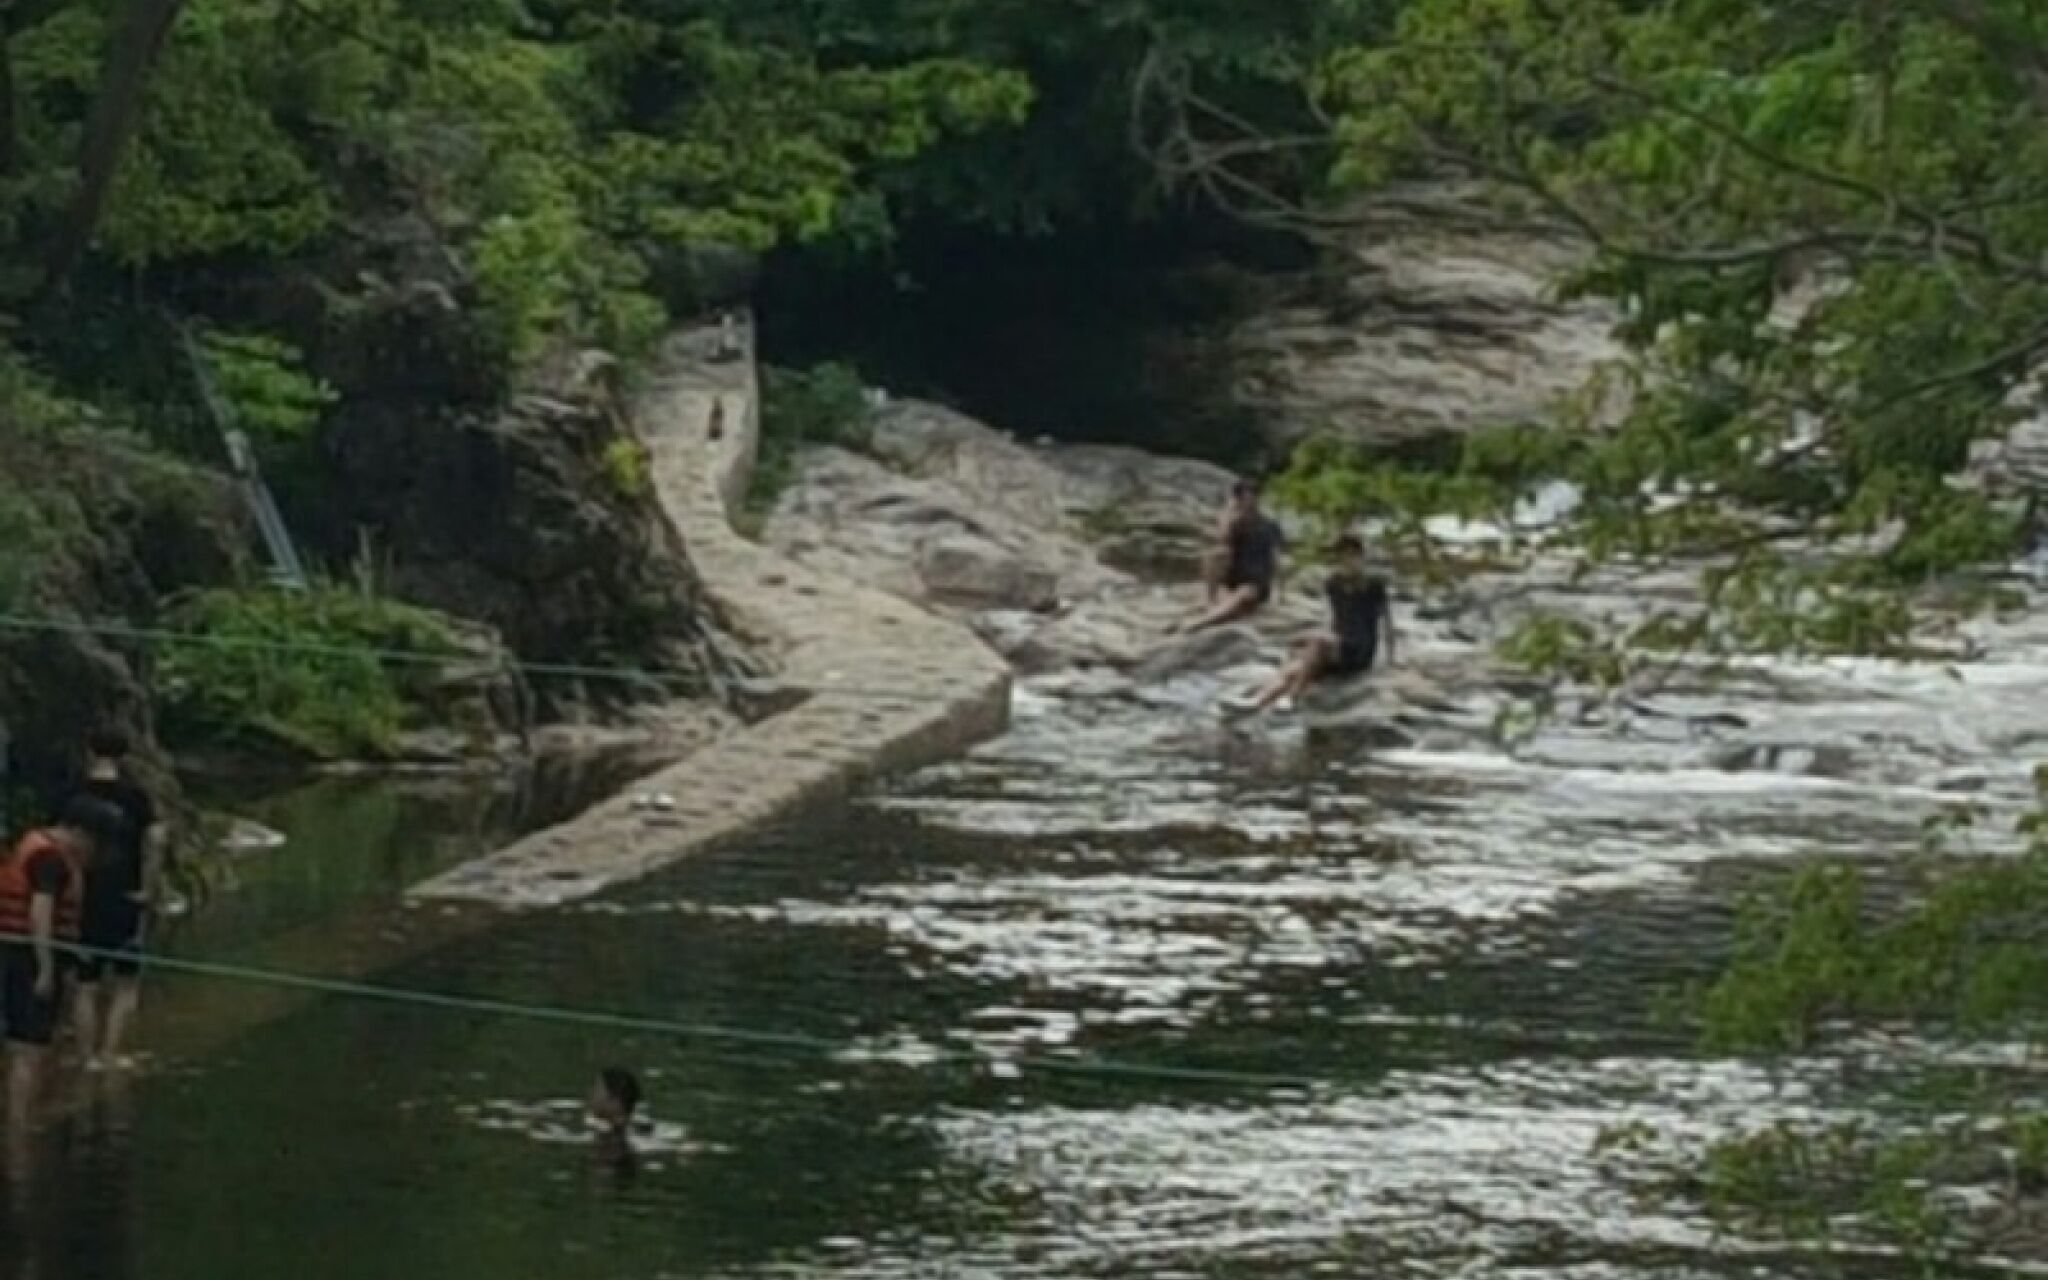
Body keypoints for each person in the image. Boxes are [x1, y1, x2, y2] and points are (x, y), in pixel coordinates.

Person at [3, 798, 115, 1142]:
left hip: (12, 951)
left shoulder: (32, 844)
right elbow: (40, 911)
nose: (94, 852)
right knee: (30, 1048)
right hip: (24, 959)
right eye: (95, 842)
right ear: (80, 833)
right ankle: (19, 1130)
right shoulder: (50, 860)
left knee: (19, 1043)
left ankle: (16, 1121)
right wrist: (46, 968)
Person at [69, 730, 165, 1071]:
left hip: (82, 897)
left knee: (85, 982)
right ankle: (110, 1053)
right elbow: (154, 843)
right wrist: (147, 890)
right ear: (125, 756)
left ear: (89, 751)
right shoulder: (136, 798)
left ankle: (85, 1057)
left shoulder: (73, 794)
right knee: (126, 981)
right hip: (125, 894)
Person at [1241, 535, 1395, 714]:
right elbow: (1333, 618)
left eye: (1353, 555)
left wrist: (1390, 659)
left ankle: (1292, 697)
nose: (1348, 561)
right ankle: (1258, 701)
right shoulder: (1333, 584)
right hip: (1338, 645)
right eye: (1343, 556)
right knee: (1293, 669)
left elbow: (1387, 621)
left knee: (1318, 642)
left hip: (1360, 649)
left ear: (1361, 557)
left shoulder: (1373, 586)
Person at [1183, 481, 1285, 633]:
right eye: (1243, 498)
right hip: (1233, 576)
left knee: (1243, 595)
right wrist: (1229, 514)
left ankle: (1203, 621)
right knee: (1216, 555)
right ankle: (1210, 600)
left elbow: (1276, 558)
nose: (1247, 503)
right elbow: (1223, 540)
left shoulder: (1269, 526)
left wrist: (1278, 589)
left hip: (1255, 581)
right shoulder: (1233, 522)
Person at [587, 1065, 642, 1180]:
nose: (591, 1095)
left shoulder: (617, 1137)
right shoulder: (610, 1129)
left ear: (614, 1101)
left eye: (597, 1090)